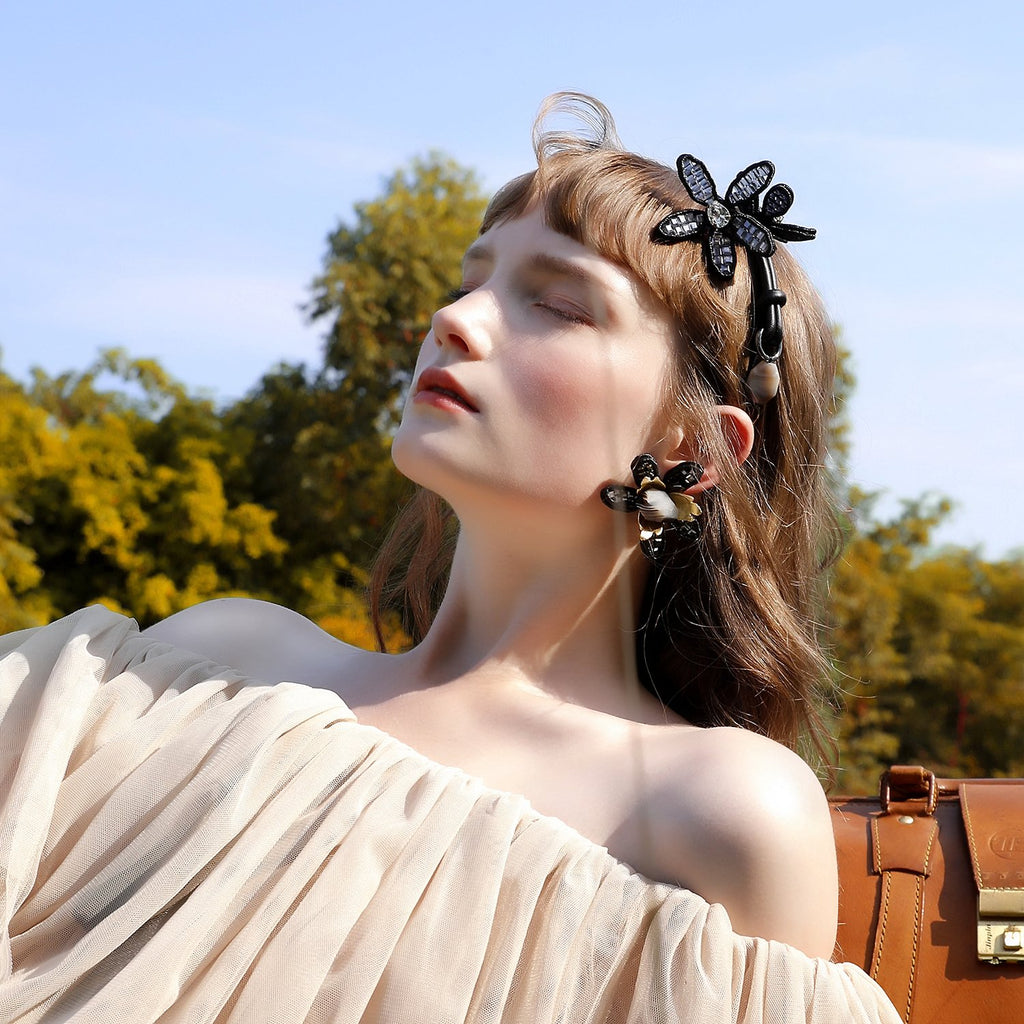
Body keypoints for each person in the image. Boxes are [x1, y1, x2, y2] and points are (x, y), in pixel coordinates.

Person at [0, 94, 899, 1022]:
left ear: (695, 451)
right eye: (472, 280)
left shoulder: (720, 814)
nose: (455, 318)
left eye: (556, 304)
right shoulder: (216, 668)